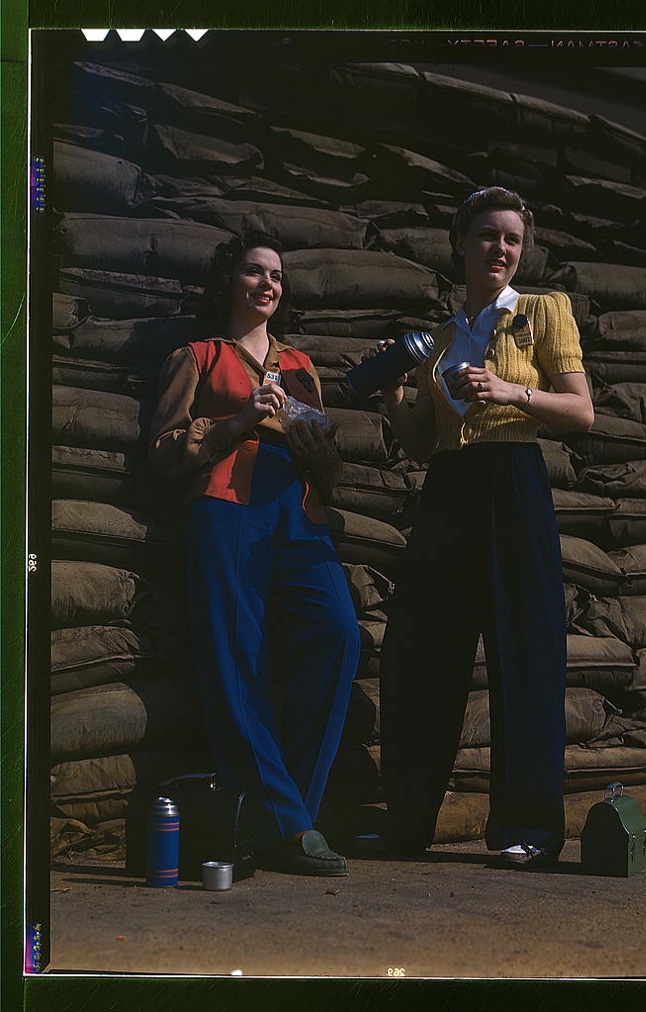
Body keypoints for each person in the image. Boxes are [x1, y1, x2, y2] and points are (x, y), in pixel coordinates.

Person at [374, 187, 594, 867]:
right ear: (460, 243)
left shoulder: (542, 312)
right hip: (448, 490)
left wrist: (510, 392)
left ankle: (528, 828)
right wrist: (393, 396)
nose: (500, 249)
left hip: (513, 483)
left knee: (524, 653)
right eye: (488, 236)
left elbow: (581, 411)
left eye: (512, 240)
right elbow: (420, 444)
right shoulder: (441, 339)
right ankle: (407, 824)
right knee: (421, 653)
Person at [149, 231, 360, 877]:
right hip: (225, 505)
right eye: (253, 272)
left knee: (338, 634)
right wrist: (240, 420)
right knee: (235, 656)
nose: (267, 284)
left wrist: (316, 440)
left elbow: (328, 459)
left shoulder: (300, 364)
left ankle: (275, 814)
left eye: (276, 275)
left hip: (298, 511)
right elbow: (162, 451)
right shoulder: (198, 355)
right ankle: (292, 826)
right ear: (229, 283)